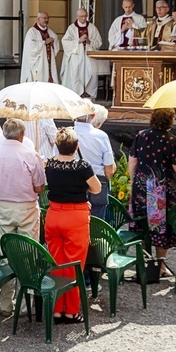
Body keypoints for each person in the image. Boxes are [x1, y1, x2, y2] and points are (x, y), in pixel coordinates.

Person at [0, 118, 46, 317]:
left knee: (5, 254)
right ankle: (25, 305)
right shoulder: (30, 154)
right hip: (26, 207)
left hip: (3, 207)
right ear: (22, 135)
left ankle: (5, 304)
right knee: (28, 254)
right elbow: (39, 188)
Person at [44, 128, 101, 324]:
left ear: (57, 145)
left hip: (53, 215)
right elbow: (97, 188)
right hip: (75, 217)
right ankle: (70, 311)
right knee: (75, 265)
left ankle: (56, 309)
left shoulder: (50, 164)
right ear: (76, 147)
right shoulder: (82, 166)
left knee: (56, 264)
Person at [128, 108, 176, 276]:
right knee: (162, 226)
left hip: (141, 187)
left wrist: (135, 181)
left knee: (144, 224)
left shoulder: (140, 136)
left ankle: (147, 262)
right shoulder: (173, 141)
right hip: (163, 190)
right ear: (171, 121)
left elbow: (132, 161)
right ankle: (161, 266)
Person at [74, 109, 115, 219]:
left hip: (73, 181)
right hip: (98, 180)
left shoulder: (67, 134)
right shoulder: (101, 136)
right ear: (93, 116)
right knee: (97, 222)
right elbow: (109, 168)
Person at [61, 8, 102, 97]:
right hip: (76, 57)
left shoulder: (92, 27)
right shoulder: (71, 28)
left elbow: (99, 42)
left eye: (85, 16)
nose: (84, 18)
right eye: (81, 16)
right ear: (77, 17)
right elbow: (65, 42)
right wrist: (78, 41)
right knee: (76, 76)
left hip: (89, 58)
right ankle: (77, 95)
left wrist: (89, 42)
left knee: (90, 76)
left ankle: (88, 96)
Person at [20, 11, 59, 83]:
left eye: (47, 18)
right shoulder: (32, 32)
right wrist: (44, 42)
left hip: (49, 63)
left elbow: (56, 41)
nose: (46, 20)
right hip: (37, 63)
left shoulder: (50, 32)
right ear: (38, 19)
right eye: (44, 18)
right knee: (38, 81)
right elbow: (31, 46)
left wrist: (53, 43)